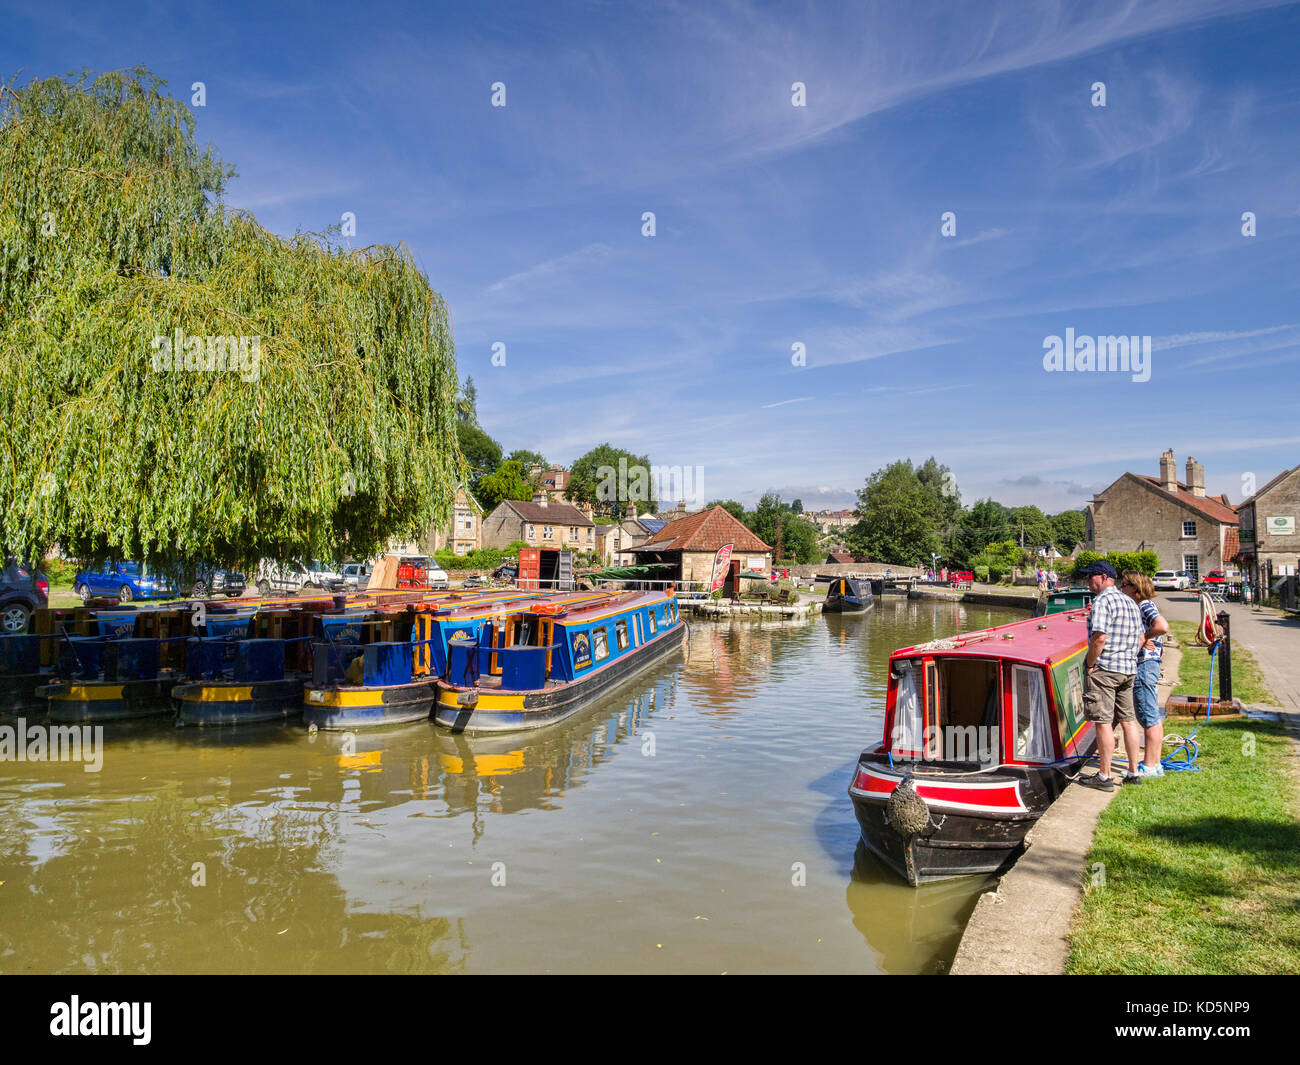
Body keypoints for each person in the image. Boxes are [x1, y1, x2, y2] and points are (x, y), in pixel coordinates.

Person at [1076, 560, 1145, 791]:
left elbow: (1099, 638)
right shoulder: (1131, 602)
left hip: (1106, 670)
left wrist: (1089, 664)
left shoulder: (1102, 601)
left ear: (1104, 578)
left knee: (1103, 723)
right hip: (1128, 669)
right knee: (1128, 720)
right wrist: (1128, 659)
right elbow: (1139, 639)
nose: (1088, 581)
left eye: (1091, 576)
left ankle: (1104, 777)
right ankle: (1133, 772)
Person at [1122, 571, 1169, 778]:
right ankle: (1155, 763)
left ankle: (1149, 765)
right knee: (1153, 715)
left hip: (1145, 664)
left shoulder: (1144, 605)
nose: (1122, 589)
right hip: (1150, 663)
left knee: (1147, 715)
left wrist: (1144, 636)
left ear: (1136, 588)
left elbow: (1162, 626)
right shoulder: (1143, 605)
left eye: (1125, 585)